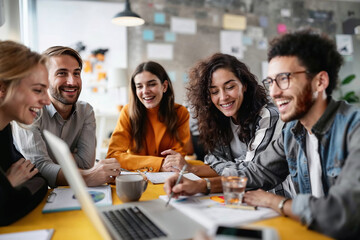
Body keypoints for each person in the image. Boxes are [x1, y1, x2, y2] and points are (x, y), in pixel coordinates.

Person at [164, 29, 360, 239]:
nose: (274, 93)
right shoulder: (294, 132)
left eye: (284, 79)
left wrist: (275, 202)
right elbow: (256, 172)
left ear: (320, 81)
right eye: (271, 81)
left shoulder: (353, 130)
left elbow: (340, 213)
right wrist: (201, 186)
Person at [162, 53, 293, 197]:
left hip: (269, 197)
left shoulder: (267, 116)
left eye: (230, 87)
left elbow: (250, 170)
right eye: (214, 91)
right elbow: (211, 159)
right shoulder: (218, 118)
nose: (223, 97)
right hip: (236, 196)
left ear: (244, 85)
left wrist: (194, 169)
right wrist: (218, 167)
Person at [12, 46, 121, 188]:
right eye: (62, 73)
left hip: (71, 193)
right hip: (35, 194)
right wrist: (87, 175)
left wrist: (53, 162)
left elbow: (85, 163)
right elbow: (40, 168)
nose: (72, 82)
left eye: (76, 73)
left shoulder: (86, 111)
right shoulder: (30, 111)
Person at [106, 61, 191, 172]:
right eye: (139, 86)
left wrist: (136, 162)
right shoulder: (127, 112)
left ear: (164, 86)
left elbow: (176, 159)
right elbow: (113, 156)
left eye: (152, 84)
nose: (145, 91)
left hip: (169, 176)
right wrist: (159, 164)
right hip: (136, 178)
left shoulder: (180, 113)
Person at [0, 40, 50, 225]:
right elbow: (5, 213)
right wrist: (8, 186)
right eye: (38, 90)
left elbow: (39, 181)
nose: (47, 101)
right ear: (2, 88)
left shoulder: (4, 130)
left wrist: (7, 188)